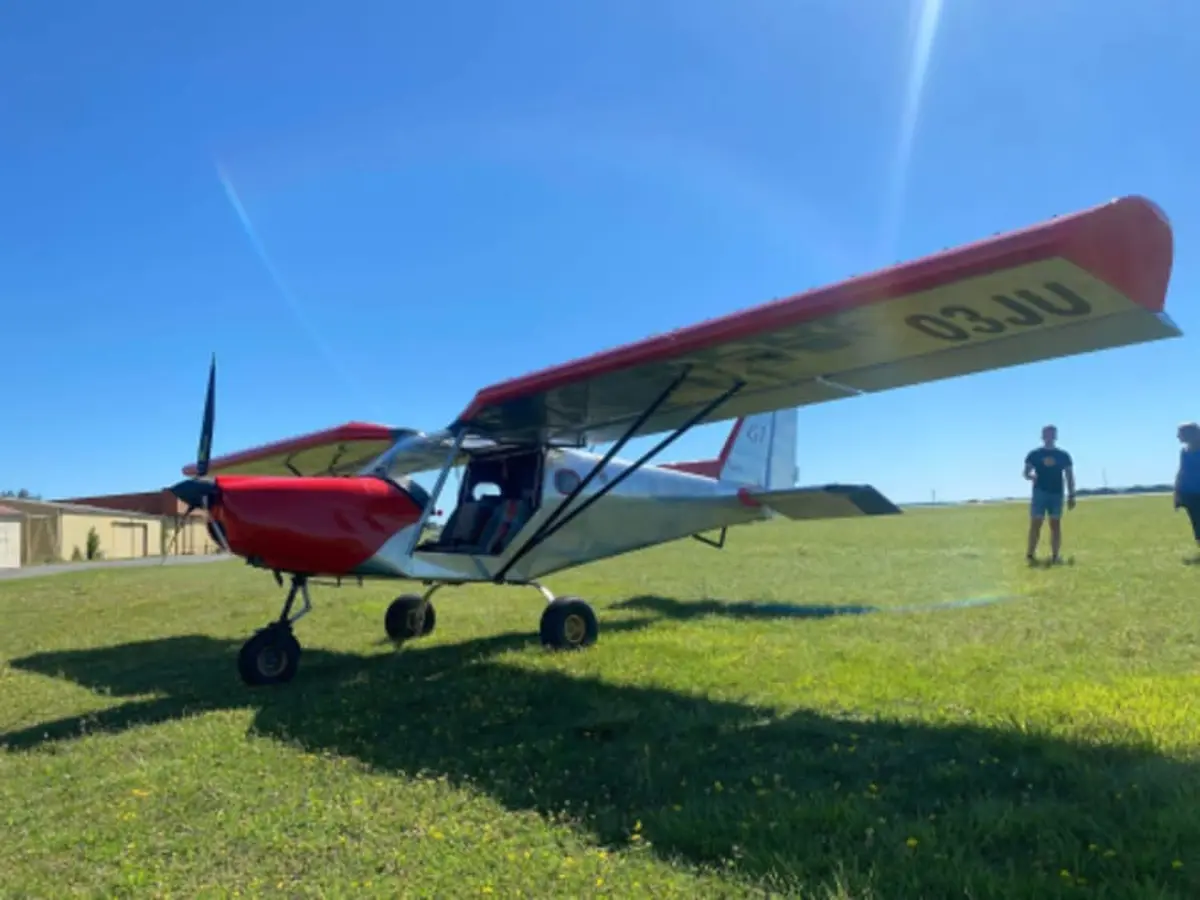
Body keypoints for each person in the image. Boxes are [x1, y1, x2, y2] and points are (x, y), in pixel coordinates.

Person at [1023, 425, 1075, 564]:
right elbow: (1026, 473)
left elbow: (1069, 475)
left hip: (1057, 493)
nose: (1049, 437)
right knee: (1036, 523)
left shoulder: (1063, 456)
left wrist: (1071, 495)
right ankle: (1030, 554)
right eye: (1046, 434)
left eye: (1052, 434)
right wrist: (1031, 476)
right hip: (1040, 492)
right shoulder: (1034, 454)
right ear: (1042, 436)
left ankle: (1055, 555)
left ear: (1055, 436)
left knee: (1055, 524)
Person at [1173, 422, 1200, 554]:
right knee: (1196, 522)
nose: (1178, 436)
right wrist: (1177, 493)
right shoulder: (1184, 452)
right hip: (1189, 493)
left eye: (1180, 433)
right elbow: (1182, 471)